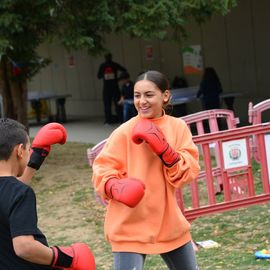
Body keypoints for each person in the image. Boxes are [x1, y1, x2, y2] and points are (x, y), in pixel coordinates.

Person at [92, 70, 200, 270]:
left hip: (169, 222)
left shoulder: (178, 127)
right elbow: (102, 169)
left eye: (149, 95)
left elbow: (189, 171)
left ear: (165, 96)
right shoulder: (123, 132)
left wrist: (167, 152)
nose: (142, 101)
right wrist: (114, 186)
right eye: (137, 95)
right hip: (129, 224)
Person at [0, 118, 95, 269]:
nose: (29, 155)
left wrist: (37, 156)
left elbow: (6, 195)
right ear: (19, 151)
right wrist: (66, 258)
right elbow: (24, 247)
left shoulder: (14, 191)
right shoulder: (21, 193)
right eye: (28, 150)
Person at [97, 53, 127, 124]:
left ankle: (109, 120)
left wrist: (106, 76)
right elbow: (124, 70)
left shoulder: (103, 66)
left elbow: (98, 76)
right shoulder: (114, 65)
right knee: (116, 104)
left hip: (107, 87)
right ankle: (119, 119)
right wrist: (117, 79)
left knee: (108, 104)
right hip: (114, 87)